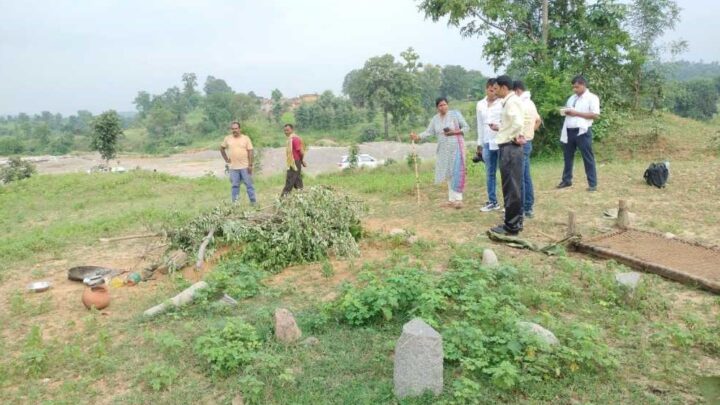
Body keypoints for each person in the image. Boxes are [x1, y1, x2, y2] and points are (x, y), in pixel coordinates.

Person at [410, 97, 470, 209]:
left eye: (444, 104)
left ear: (448, 105)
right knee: (447, 173)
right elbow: (429, 132)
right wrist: (418, 136)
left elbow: (466, 128)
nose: (443, 107)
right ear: (437, 107)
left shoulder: (455, 115)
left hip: (456, 147)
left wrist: (453, 132)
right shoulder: (435, 119)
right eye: (440, 105)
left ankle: (458, 199)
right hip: (443, 149)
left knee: (456, 171)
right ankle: (451, 200)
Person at [490, 75, 525, 235]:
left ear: (504, 88)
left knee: (511, 187)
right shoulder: (512, 101)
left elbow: (518, 123)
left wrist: (512, 136)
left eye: (496, 88)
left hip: (510, 148)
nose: (494, 92)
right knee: (514, 186)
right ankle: (516, 221)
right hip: (510, 147)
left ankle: (511, 226)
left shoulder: (511, 102)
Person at [557, 75, 600, 192]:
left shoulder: (592, 98)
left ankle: (592, 183)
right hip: (569, 130)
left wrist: (576, 113)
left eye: (577, 87)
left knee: (587, 157)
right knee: (567, 157)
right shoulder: (571, 98)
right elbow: (570, 111)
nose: (574, 89)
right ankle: (566, 180)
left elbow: (595, 115)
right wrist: (566, 112)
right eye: (573, 87)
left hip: (583, 131)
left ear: (583, 85)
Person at [513, 80, 541, 218]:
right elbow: (538, 120)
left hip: (521, 143)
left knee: (520, 178)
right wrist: (531, 133)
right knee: (526, 176)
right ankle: (528, 207)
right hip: (528, 141)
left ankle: (522, 209)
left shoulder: (520, 104)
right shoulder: (530, 103)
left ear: (517, 91)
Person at [476, 78, 503, 212]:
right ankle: (493, 201)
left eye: (495, 90)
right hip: (487, 141)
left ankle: (508, 202)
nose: (493, 92)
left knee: (505, 172)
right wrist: (479, 144)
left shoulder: (502, 102)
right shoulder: (480, 104)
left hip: (501, 141)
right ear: (487, 89)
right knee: (489, 173)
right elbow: (479, 125)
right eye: (491, 90)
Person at [220, 121, 256, 204]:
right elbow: (222, 148)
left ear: (240, 129)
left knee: (249, 185)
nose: (234, 130)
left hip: (245, 167)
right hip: (233, 168)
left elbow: (250, 151)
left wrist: (250, 165)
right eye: (232, 129)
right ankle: (235, 204)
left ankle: (253, 202)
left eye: (236, 128)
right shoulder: (227, 138)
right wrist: (226, 159)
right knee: (235, 186)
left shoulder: (245, 138)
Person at [281, 123, 306, 197]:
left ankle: (283, 198)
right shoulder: (290, 139)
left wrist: (301, 161)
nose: (286, 132)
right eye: (285, 130)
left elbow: (301, 152)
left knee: (290, 179)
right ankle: (301, 195)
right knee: (297, 178)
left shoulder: (295, 139)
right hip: (293, 162)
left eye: (287, 130)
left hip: (295, 162)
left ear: (292, 130)